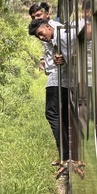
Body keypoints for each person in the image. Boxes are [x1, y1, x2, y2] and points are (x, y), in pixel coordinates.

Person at [29, 17, 70, 178]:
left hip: (59, 79)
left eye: (41, 33)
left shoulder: (61, 33)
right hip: (61, 78)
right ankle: (66, 156)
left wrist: (63, 59)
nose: (41, 37)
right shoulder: (55, 36)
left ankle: (65, 157)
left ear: (47, 25)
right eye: (38, 36)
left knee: (52, 113)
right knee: (62, 116)